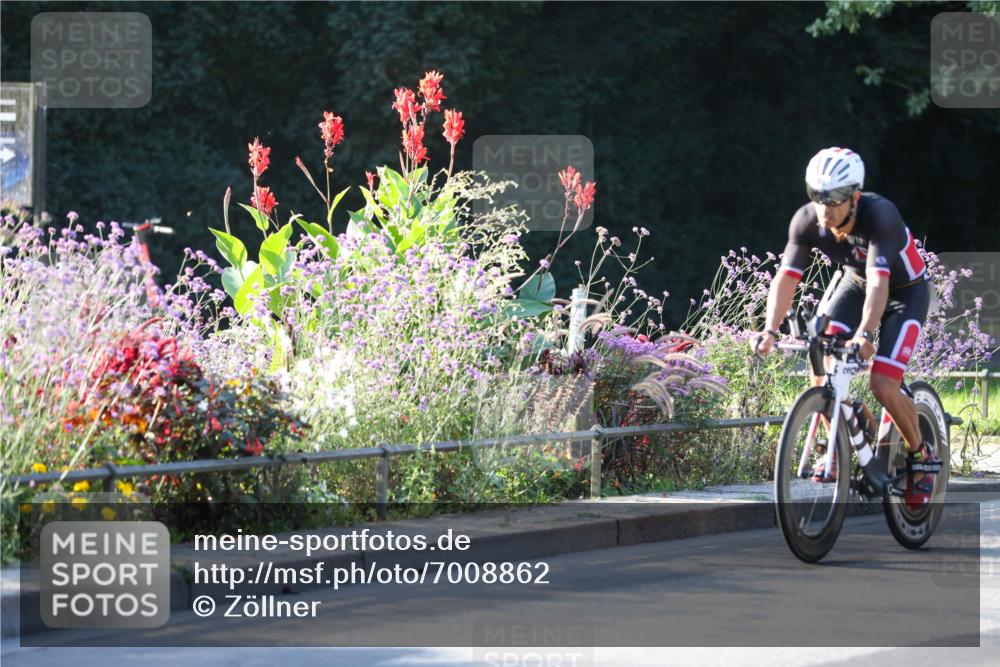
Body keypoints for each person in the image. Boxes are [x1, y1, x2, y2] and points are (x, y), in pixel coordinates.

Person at [752, 147, 939, 510]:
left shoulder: (880, 215)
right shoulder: (806, 220)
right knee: (820, 358)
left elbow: (879, 283)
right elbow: (786, 278)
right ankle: (841, 439)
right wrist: (770, 329)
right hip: (855, 285)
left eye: (835, 197)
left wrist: (865, 334)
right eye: (816, 195)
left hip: (905, 293)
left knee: (883, 384)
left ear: (854, 196)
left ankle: (921, 454)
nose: (825, 206)